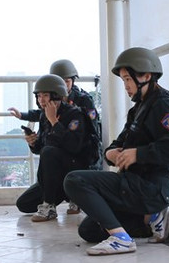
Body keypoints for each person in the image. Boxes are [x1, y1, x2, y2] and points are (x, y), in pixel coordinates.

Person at [63, 47, 169, 255]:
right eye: (123, 80)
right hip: (134, 184)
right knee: (88, 230)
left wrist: (138, 154)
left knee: (74, 180)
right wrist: (111, 153)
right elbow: (118, 142)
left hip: (150, 187)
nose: (125, 86)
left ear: (146, 76)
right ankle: (150, 218)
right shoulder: (139, 108)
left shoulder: (162, 103)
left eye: (127, 80)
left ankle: (121, 238)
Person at [9, 58, 103, 213]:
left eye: (45, 96)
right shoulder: (45, 114)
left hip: (78, 164)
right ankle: (62, 193)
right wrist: (33, 142)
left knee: (50, 152)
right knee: (24, 204)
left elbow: (79, 144)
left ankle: (56, 201)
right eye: (39, 96)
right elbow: (42, 147)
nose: (42, 100)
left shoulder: (77, 110)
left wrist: (55, 122)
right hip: (56, 168)